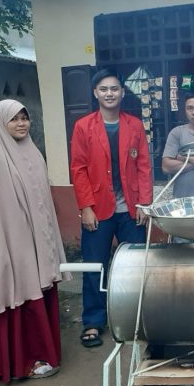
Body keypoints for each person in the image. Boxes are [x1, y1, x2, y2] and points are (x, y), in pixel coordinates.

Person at [0, 99, 70, 382]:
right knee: (16, 297)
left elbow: (43, 206)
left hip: (35, 246)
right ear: (0, 123)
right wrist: (5, 255)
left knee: (38, 297)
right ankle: (18, 363)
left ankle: (41, 355)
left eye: (24, 117)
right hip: (8, 249)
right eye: (14, 119)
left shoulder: (32, 153)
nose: (21, 124)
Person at [70, 69, 152, 348]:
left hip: (130, 209)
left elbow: (143, 166)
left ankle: (136, 317)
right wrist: (86, 207)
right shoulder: (83, 126)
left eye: (114, 89)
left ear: (122, 92)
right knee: (96, 266)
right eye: (104, 89)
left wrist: (144, 202)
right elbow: (78, 169)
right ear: (96, 93)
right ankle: (93, 321)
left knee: (136, 266)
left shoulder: (135, 125)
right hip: (99, 209)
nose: (109, 93)